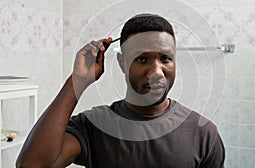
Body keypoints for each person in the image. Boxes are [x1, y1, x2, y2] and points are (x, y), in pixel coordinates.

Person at [16, 14, 225, 168]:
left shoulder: (203, 133)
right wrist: (78, 81)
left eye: (165, 59)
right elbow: (32, 165)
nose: (156, 73)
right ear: (122, 62)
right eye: (141, 59)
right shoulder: (94, 126)